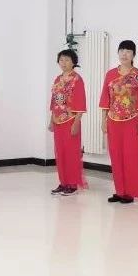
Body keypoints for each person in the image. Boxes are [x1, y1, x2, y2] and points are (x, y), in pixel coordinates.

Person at [100, 40, 138, 203]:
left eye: (128, 51)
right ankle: (119, 191)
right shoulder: (110, 74)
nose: (124, 54)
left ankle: (130, 192)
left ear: (133, 55)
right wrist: (103, 120)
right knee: (115, 155)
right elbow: (105, 98)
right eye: (122, 50)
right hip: (113, 120)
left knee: (131, 156)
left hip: (132, 120)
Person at [50, 48, 88, 195]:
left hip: (71, 121)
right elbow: (54, 101)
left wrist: (76, 122)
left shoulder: (77, 79)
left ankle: (72, 184)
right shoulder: (57, 79)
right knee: (60, 153)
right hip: (57, 121)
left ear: (73, 62)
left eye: (67, 60)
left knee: (72, 153)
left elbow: (80, 102)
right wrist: (51, 120)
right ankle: (63, 182)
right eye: (61, 60)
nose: (63, 63)